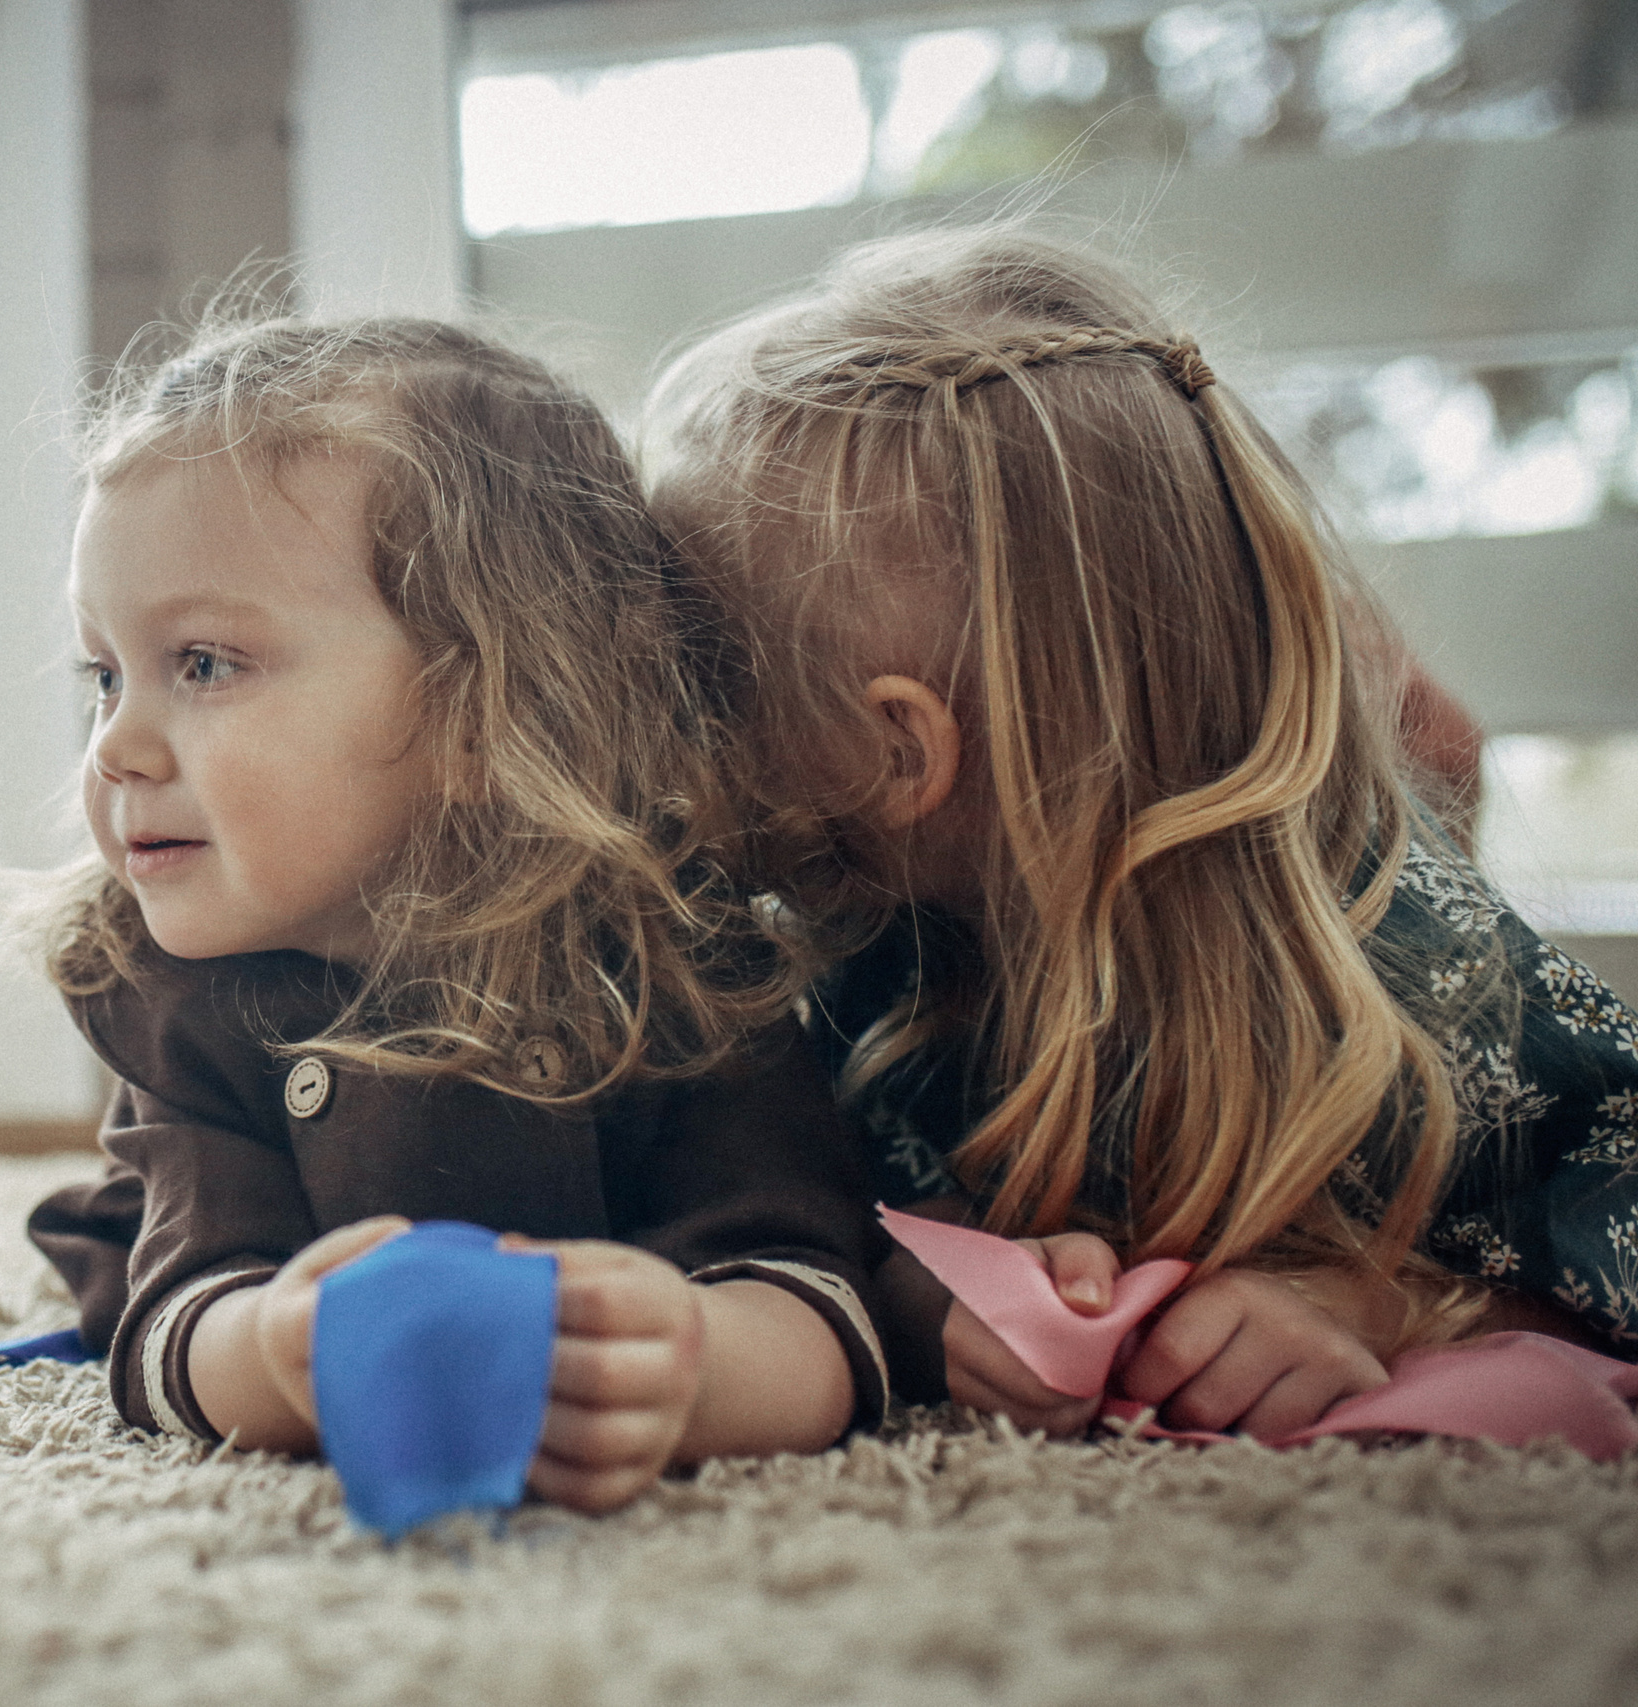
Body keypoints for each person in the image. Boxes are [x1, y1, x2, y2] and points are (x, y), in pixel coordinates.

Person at [641, 226, 1638, 1442]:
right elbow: (811, 1223)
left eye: (696, 680)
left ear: (898, 753)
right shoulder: (858, 944)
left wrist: (1395, 1305)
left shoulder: (1415, 965)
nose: (656, 735)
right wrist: (920, 1303)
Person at [25, 318, 898, 1516]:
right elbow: (176, 1322)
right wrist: (285, 1355)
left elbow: (817, 1292)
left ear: (487, 707)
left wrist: (690, 1365)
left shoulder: (678, 955)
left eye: (206, 664)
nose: (115, 746)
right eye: (105, 675)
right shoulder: (180, 992)